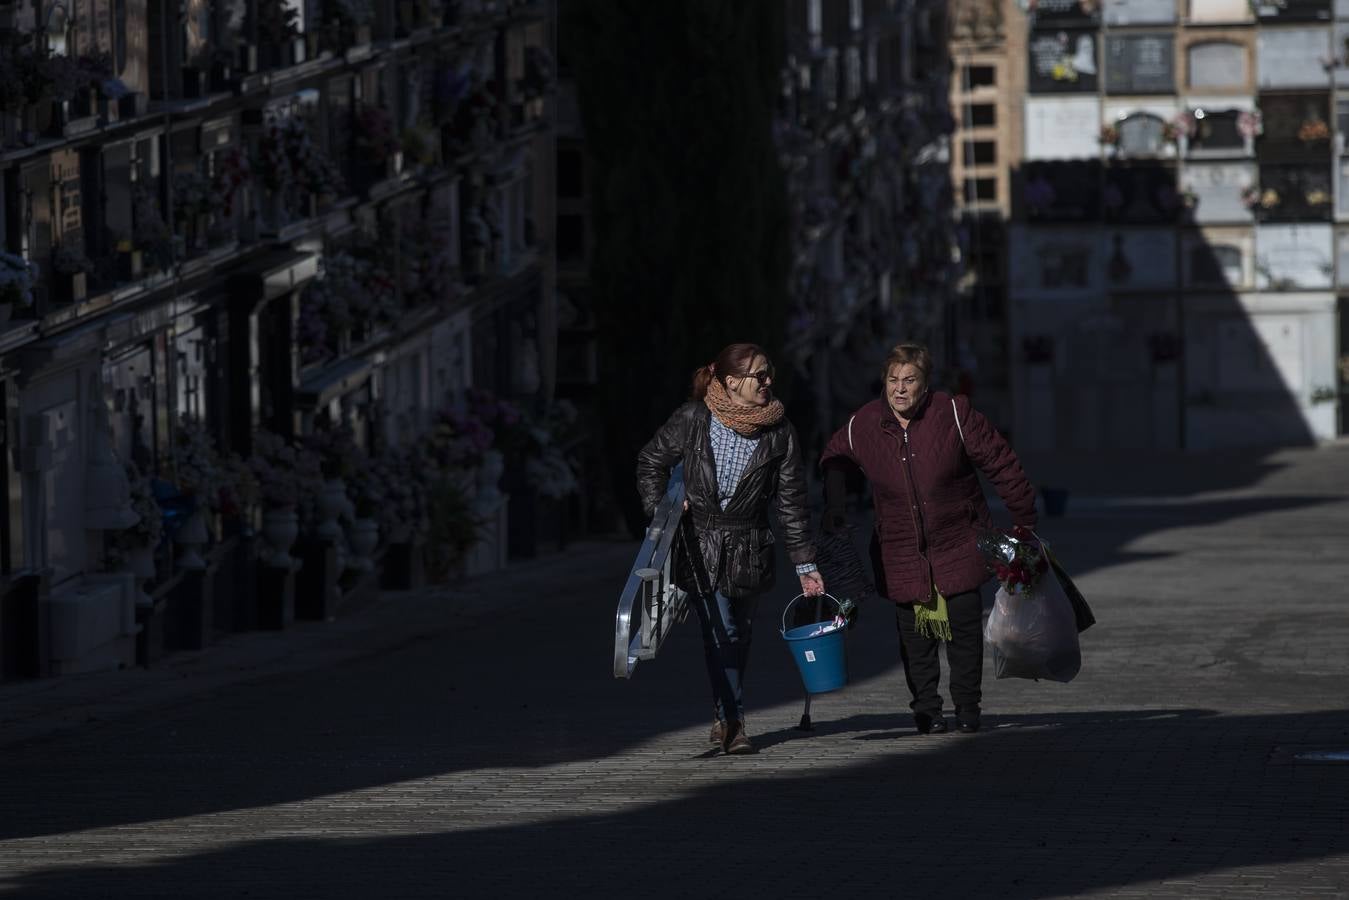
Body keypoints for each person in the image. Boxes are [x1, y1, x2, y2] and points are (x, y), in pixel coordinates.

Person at [820, 342, 1036, 735]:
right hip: (900, 548)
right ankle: (927, 710)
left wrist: (1023, 514)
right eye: (892, 379)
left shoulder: (952, 413)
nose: (899, 389)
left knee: (964, 631)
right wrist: (834, 505)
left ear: (925, 384)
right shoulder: (865, 424)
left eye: (909, 380)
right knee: (915, 638)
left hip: (959, 538)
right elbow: (834, 455)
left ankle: (968, 708)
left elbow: (999, 459)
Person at [637, 343, 825, 755]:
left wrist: (805, 564)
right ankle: (735, 722)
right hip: (701, 543)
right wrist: (664, 508)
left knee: (740, 634)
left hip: (751, 546)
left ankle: (722, 712)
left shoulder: (780, 433)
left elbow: (791, 503)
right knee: (721, 631)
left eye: (769, 374)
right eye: (759, 375)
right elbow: (651, 460)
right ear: (731, 382)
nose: (767, 382)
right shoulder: (693, 419)